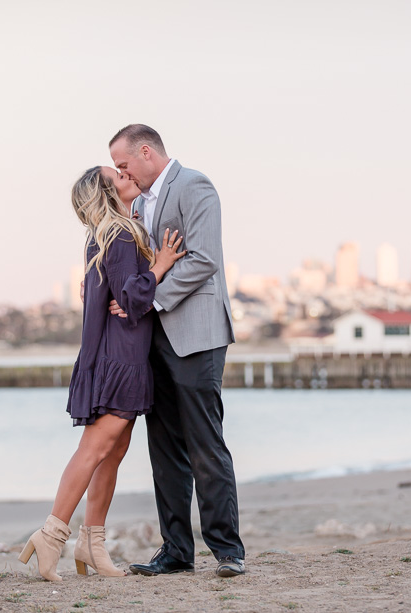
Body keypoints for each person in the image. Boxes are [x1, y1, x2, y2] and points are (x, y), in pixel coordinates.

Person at [18, 165, 184, 581]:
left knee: (113, 452)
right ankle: (51, 535)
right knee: (94, 451)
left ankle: (91, 544)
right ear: (111, 192)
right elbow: (130, 295)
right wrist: (160, 266)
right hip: (121, 357)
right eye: (119, 175)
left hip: (119, 352)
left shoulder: (105, 234)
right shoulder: (122, 233)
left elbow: (114, 293)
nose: (128, 174)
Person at [107, 124, 246, 578]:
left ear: (146, 152)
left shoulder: (195, 185)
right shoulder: (138, 204)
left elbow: (204, 259)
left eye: (124, 164)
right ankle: (176, 552)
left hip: (196, 333)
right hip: (152, 339)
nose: (121, 173)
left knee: (205, 442)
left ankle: (227, 551)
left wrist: (151, 299)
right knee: (164, 447)